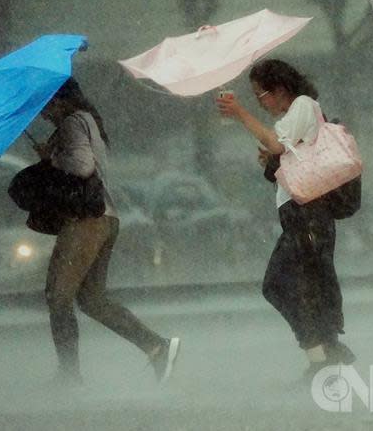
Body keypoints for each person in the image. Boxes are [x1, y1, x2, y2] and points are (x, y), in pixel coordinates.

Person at [216, 59, 355, 382]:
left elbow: (277, 142)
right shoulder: (294, 118)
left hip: (308, 217)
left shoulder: (304, 106)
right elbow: (285, 161)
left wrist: (240, 113)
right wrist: (272, 160)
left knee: (281, 284)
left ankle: (322, 353)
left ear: (279, 90)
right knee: (301, 285)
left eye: (260, 94)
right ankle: (325, 351)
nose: (259, 102)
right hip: (299, 216)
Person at [35, 77, 180, 386]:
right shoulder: (88, 121)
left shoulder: (72, 124)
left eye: (45, 105)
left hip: (86, 222)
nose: (42, 114)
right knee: (91, 299)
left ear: (61, 100)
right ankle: (157, 347)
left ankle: (69, 376)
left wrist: (51, 160)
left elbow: (82, 167)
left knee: (58, 296)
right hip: (105, 219)